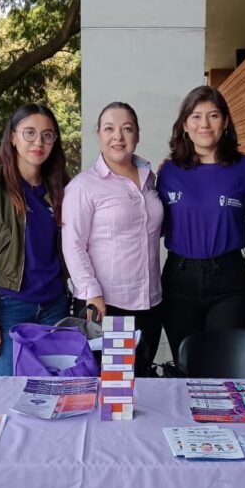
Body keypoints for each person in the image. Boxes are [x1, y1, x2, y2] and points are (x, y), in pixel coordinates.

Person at [0, 103, 71, 375]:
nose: (39, 142)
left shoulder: (59, 186)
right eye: (30, 133)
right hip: (10, 306)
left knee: (50, 391)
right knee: (6, 392)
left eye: (48, 135)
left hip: (55, 305)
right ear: (12, 137)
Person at [62, 102, 164, 376]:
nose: (118, 136)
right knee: (116, 390)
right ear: (99, 134)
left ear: (137, 135)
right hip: (110, 306)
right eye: (109, 129)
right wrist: (91, 293)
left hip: (151, 303)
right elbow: (72, 245)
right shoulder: (84, 186)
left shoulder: (150, 178)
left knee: (142, 380)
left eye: (126, 129)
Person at [157, 86, 245, 361]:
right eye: (196, 116)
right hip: (179, 278)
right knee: (186, 362)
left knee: (224, 363)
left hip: (228, 278)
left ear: (225, 122)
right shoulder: (169, 172)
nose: (204, 124)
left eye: (213, 116)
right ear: (185, 125)